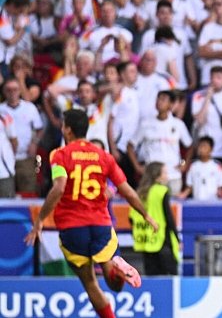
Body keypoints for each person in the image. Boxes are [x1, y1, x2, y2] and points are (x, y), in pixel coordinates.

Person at [23, 109, 157, 318]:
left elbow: (58, 188)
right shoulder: (104, 157)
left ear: (67, 130)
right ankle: (116, 268)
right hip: (101, 224)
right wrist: (145, 215)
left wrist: (40, 221)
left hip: (72, 228)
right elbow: (126, 189)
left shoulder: (59, 155)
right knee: (114, 284)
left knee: (90, 283)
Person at [130, 162, 181, 275]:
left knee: (151, 275)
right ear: (157, 175)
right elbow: (169, 217)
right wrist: (177, 238)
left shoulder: (139, 193)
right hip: (162, 238)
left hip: (146, 240)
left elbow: (131, 217)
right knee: (169, 276)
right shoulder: (161, 191)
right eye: (165, 173)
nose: (167, 176)